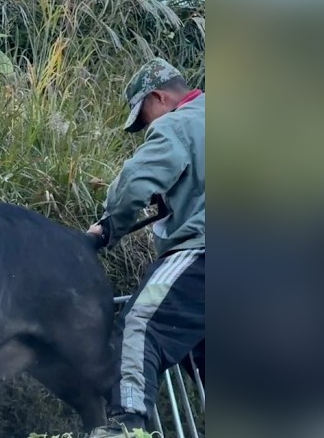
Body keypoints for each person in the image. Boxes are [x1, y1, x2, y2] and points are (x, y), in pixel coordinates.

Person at [86, 58, 205, 438]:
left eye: (145, 119)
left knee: (142, 325)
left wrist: (107, 228)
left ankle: (128, 427)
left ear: (159, 97)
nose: (147, 129)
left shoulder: (178, 123)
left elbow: (136, 183)